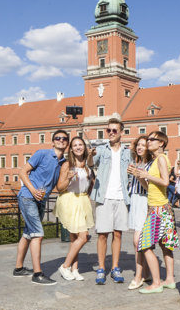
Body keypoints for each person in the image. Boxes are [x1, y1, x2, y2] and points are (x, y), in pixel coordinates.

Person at [13, 129, 68, 285]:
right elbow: (22, 172)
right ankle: (38, 274)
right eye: (58, 138)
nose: (61, 140)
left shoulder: (63, 163)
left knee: (28, 234)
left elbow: (59, 186)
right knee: (38, 234)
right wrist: (33, 190)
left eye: (64, 139)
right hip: (28, 197)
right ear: (53, 141)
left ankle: (18, 268)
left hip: (41, 200)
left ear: (67, 143)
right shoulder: (42, 153)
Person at [134, 131, 178, 294]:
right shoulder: (155, 161)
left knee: (144, 245)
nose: (148, 142)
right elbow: (151, 188)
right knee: (165, 245)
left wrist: (146, 175)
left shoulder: (160, 158)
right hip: (160, 207)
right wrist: (140, 178)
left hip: (158, 210)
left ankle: (157, 282)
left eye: (152, 139)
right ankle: (170, 279)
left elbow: (166, 182)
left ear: (161, 143)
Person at [90, 118, 131, 285]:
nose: (111, 133)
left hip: (122, 197)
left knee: (118, 234)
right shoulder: (101, 149)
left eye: (114, 130)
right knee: (102, 235)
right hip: (104, 196)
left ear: (121, 132)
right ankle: (101, 268)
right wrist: (89, 156)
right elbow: (90, 163)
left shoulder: (128, 153)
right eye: (109, 130)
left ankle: (115, 267)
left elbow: (134, 170)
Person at [54, 136, 94, 281]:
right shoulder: (67, 165)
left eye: (80, 145)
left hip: (82, 200)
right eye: (75, 145)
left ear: (84, 147)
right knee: (83, 237)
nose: (78, 147)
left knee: (75, 239)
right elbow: (59, 188)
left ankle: (74, 269)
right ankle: (65, 266)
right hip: (70, 200)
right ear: (71, 149)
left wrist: (88, 195)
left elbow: (91, 183)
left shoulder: (88, 164)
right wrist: (69, 178)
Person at [126, 136, 152, 290]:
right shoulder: (138, 163)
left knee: (138, 241)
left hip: (144, 201)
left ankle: (138, 276)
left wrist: (138, 175)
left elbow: (149, 188)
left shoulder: (150, 164)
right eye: (138, 145)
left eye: (143, 145)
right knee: (138, 240)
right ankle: (147, 272)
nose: (140, 147)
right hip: (135, 201)